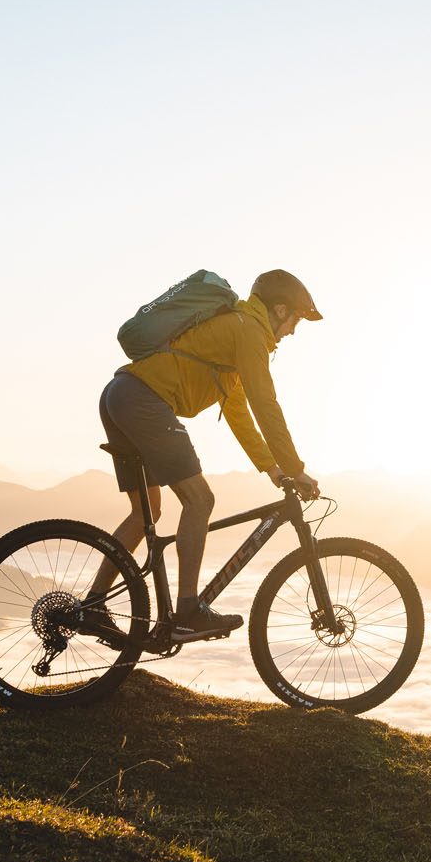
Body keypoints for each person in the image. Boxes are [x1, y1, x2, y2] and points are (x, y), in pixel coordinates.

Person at [93, 269, 322, 638]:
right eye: (295, 320)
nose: (293, 331)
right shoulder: (248, 331)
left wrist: (273, 469)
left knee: (144, 515)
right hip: (144, 400)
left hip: (120, 394)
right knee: (200, 500)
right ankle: (187, 611)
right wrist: (296, 468)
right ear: (280, 310)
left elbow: (238, 412)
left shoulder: (235, 331)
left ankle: (93, 604)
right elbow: (266, 404)